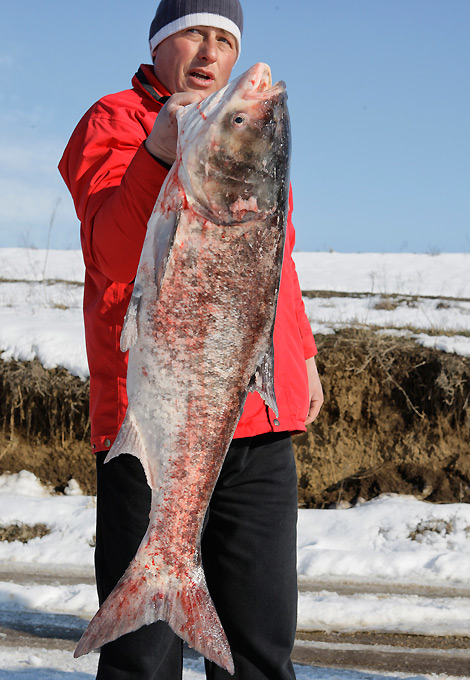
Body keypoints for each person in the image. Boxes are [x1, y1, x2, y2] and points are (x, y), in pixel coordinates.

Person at [59, 1, 324, 678]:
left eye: (224, 39)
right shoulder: (117, 120)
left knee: (259, 651)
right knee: (143, 661)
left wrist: (304, 357)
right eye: (193, 35)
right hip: (152, 421)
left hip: (258, 420)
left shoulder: (249, 139)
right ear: (159, 43)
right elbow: (111, 253)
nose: (210, 53)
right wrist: (158, 153)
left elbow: (272, 259)